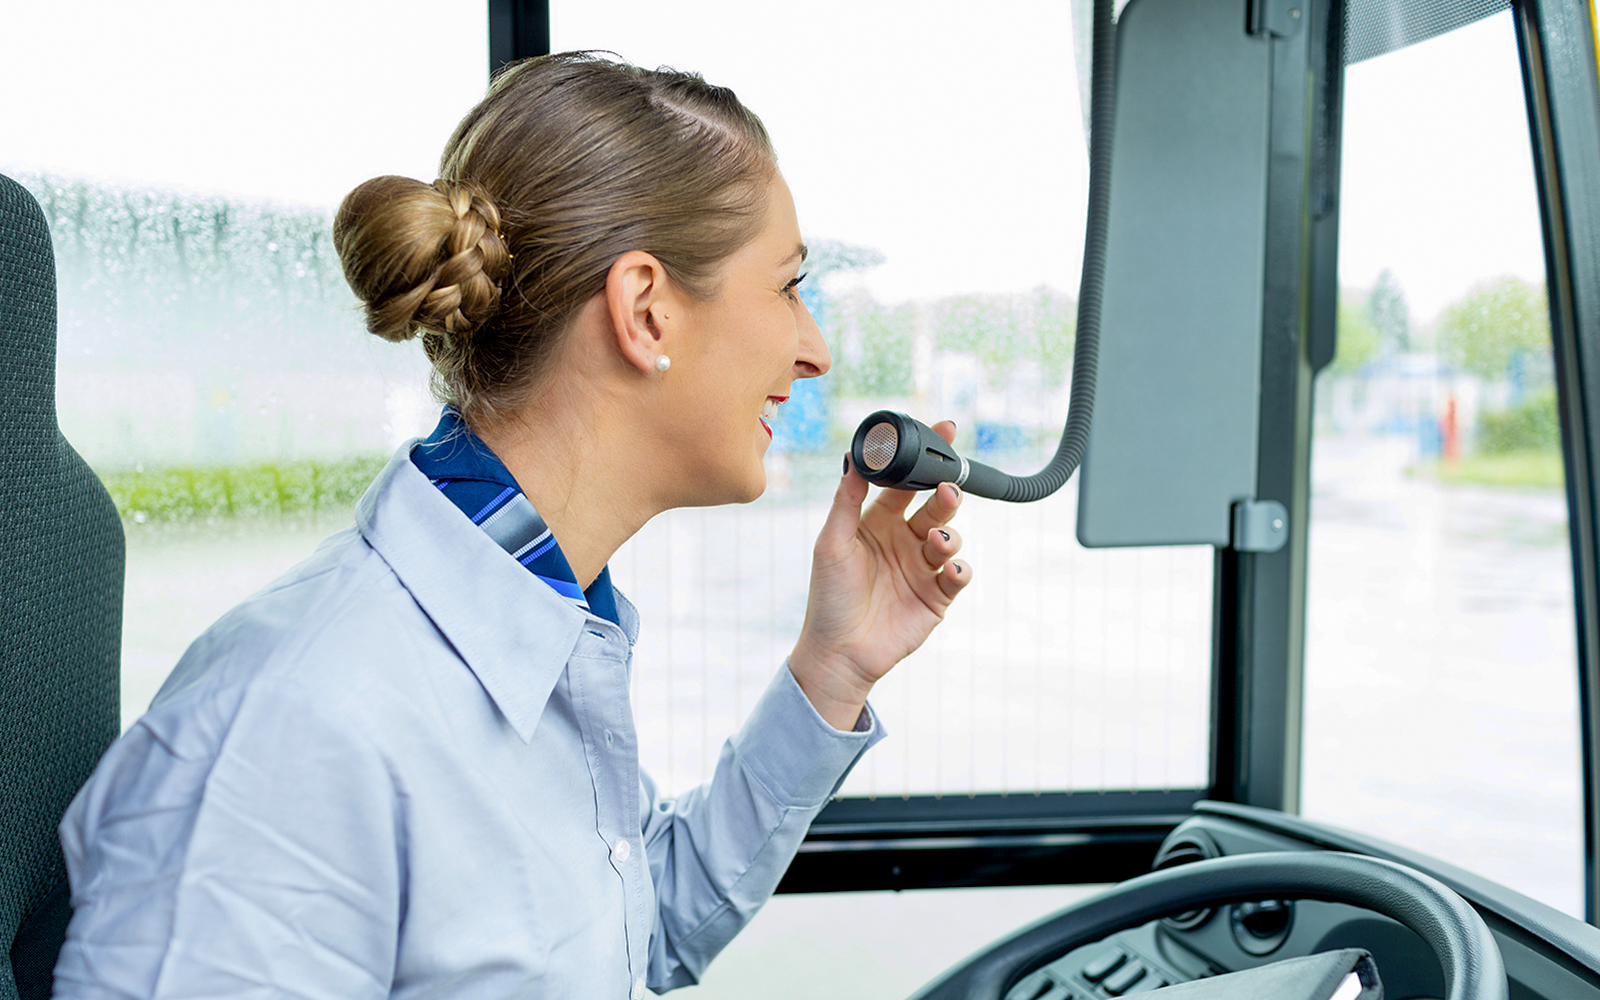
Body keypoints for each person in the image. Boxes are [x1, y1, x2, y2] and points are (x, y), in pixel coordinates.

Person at [52, 52, 970, 999]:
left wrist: (832, 672)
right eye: (786, 287)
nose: (813, 349)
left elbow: (630, 930)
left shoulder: (541, 622)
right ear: (647, 311)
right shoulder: (287, 729)